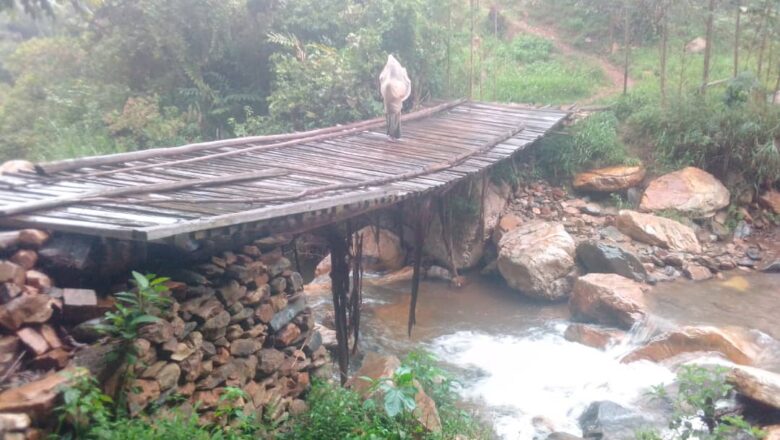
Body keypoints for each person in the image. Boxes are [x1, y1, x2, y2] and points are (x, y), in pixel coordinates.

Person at [379, 55, 411, 139]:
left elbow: (382, 83)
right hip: (396, 107)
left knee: (390, 121)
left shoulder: (387, 83)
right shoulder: (398, 83)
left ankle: (390, 134)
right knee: (395, 120)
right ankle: (394, 135)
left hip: (389, 106)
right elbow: (402, 93)